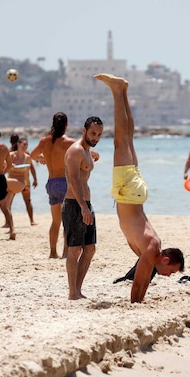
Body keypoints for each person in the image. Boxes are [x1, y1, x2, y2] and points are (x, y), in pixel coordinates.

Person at [96, 73, 185, 303]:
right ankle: (117, 90)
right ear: (166, 260)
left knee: (128, 139)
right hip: (129, 192)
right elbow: (138, 282)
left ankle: (123, 90)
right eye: (172, 271)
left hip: (135, 193)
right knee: (120, 139)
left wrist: (141, 298)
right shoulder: (152, 249)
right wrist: (136, 303)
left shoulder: (154, 248)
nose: (169, 276)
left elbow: (145, 279)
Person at [62, 116, 104, 300]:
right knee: (75, 249)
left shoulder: (87, 151)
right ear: (84, 130)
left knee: (90, 248)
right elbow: (74, 181)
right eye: (93, 133)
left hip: (86, 204)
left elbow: (85, 167)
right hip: (74, 204)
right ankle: (73, 292)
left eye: (99, 135)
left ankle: (78, 289)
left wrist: (94, 156)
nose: (96, 137)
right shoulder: (76, 151)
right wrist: (82, 208)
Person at [31, 113, 75, 258]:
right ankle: (65, 253)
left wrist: (40, 158)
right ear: (66, 125)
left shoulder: (45, 141)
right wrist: (94, 154)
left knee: (55, 221)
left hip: (51, 183)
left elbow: (31, 155)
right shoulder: (68, 142)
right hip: (64, 183)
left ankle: (52, 252)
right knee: (67, 221)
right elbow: (83, 151)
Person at [9, 135, 38, 226]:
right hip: (13, 181)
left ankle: (32, 220)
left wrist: (35, 179)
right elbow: (4, 166)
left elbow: (32, 168)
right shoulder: (11, 154)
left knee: (27, 201)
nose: (25, 147)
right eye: (24, 144)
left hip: (25, 182)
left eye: (27, 145)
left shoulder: (27, 156)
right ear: (18, 144)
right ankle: (8, 221)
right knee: (8, 201)